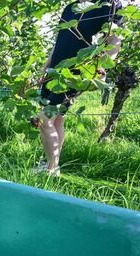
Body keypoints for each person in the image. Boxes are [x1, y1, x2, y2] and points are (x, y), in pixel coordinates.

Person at [37, 0, 123, 176]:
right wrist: (46, 66)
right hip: (56, 70)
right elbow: (60, 41)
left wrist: (102, 67)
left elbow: (115, 39)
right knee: (57, 119)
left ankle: (51, 169)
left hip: (75, 73)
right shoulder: (70, 7)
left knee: (44, 119)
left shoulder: (109, 6)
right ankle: (52, 165)